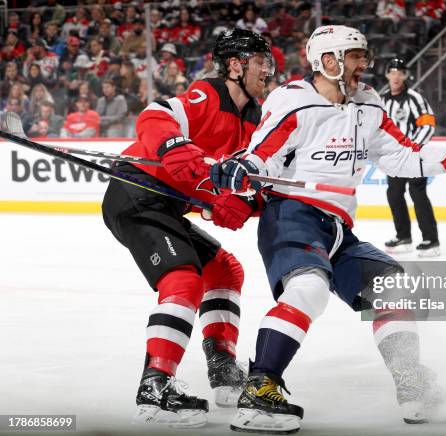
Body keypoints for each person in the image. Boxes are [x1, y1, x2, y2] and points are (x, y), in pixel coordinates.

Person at [210, 25, 446, 433]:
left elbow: (403, 157)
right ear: (327, 60)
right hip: (292, 215)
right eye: (355, 56)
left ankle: (413, 386)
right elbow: (264, 154)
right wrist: (244, 169)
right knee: (309, 289)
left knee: (392, 286)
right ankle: (260, 388)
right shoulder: (293, 101)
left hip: (337, 226)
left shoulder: (368, 103)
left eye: (363, 55)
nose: (364, 64)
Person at [100, 28, 274, 428]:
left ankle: (223, 370)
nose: (268, 69)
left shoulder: (254, 121)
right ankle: (155, 389)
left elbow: (240, 183)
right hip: (137, 192)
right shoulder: (207, 94)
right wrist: (172, 145)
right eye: (261, 61)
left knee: (225, 270)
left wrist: (240, 204)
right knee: (183, 279)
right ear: (236, 64)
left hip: (168, 206)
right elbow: (155, 115)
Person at [379, 58, 440, 256]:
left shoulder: (415, 98)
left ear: (405, 76)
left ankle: (431, 240)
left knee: (418, 194)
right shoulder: (382, 100)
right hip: (394, 158)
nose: (396, 76)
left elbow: (428, 124)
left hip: (414, 156)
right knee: (394, 194)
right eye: (393, 72)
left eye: (400, 72)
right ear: (387, 74)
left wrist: (412, 148)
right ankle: (403, 236)